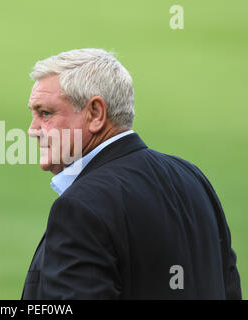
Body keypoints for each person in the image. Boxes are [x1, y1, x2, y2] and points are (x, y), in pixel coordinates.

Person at [21, 48, 241, 299]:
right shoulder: (194, 179)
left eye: (45, 113)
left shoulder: (80, 207)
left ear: (95, 114)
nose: (33, 129)